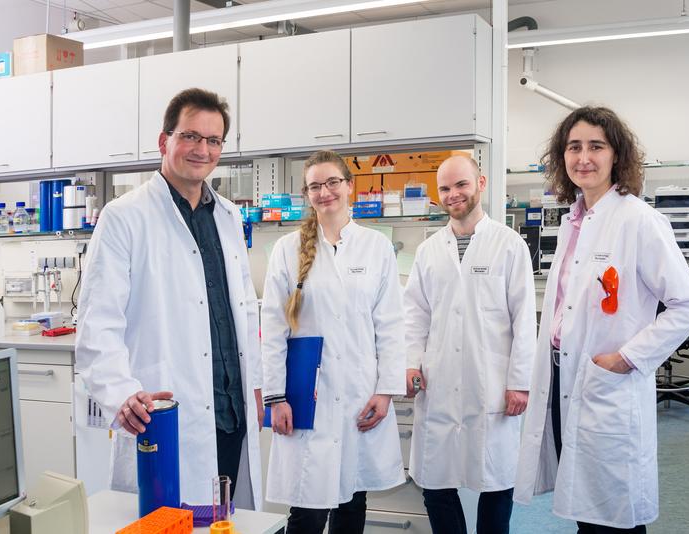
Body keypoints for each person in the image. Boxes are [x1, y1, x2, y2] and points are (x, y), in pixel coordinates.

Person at [513, 107, 689, 532]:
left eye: (596, 147)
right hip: (566, 380)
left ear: (616, 155)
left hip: (607, 382)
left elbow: (688, 305)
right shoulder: (573, 222)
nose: (584, 157)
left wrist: (628, 357)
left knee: (614, 514)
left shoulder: (639, 220)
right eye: (574, 147)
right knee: (586, 510)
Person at [76, 88, 264, 508]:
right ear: (165, 142)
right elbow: (97, 325)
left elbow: (243, 313)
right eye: (191, 136)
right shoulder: (125, 217)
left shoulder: (229, 217)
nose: (203, 150)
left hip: (231, 416)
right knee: (169, 520)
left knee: (223, 520)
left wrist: (256, 384)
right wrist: (121, 392)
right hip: (164, 415)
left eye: (214, 140)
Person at [260, 150, 405, 534]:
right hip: (306, 396)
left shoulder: (375, 247)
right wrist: (275, 398)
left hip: (360, 392)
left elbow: (390, 323)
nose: (325, 192)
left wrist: (386, 391)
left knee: (352, 500)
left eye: (332, 183)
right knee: (306, 508)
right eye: (315, 186)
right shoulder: (287, 250)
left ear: (349, 187)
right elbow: (273, 328)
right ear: (307, 193)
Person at [403, 155, 536, 534]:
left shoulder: (509, 245)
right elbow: (415, 316)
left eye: (460, 185)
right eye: (444, 188)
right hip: (439, 384)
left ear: (480, 182)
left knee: (496, 483)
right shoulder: (429, 251)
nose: (453, 194)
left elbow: (524, 320)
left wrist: (520, 381)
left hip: (491, 385)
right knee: (435, 483)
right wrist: (412, 363)